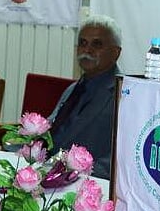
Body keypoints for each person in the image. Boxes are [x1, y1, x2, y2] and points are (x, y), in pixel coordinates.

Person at [48, 14, 123, 180]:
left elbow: (121, 157)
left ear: (116, 53)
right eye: (82, 43)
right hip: (48, 172)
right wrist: (18, 147)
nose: (87, 50)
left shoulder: (123, 96)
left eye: (97, 44)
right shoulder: (72, 89)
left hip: (86, 182)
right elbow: (50, 131)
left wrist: (76, 174)